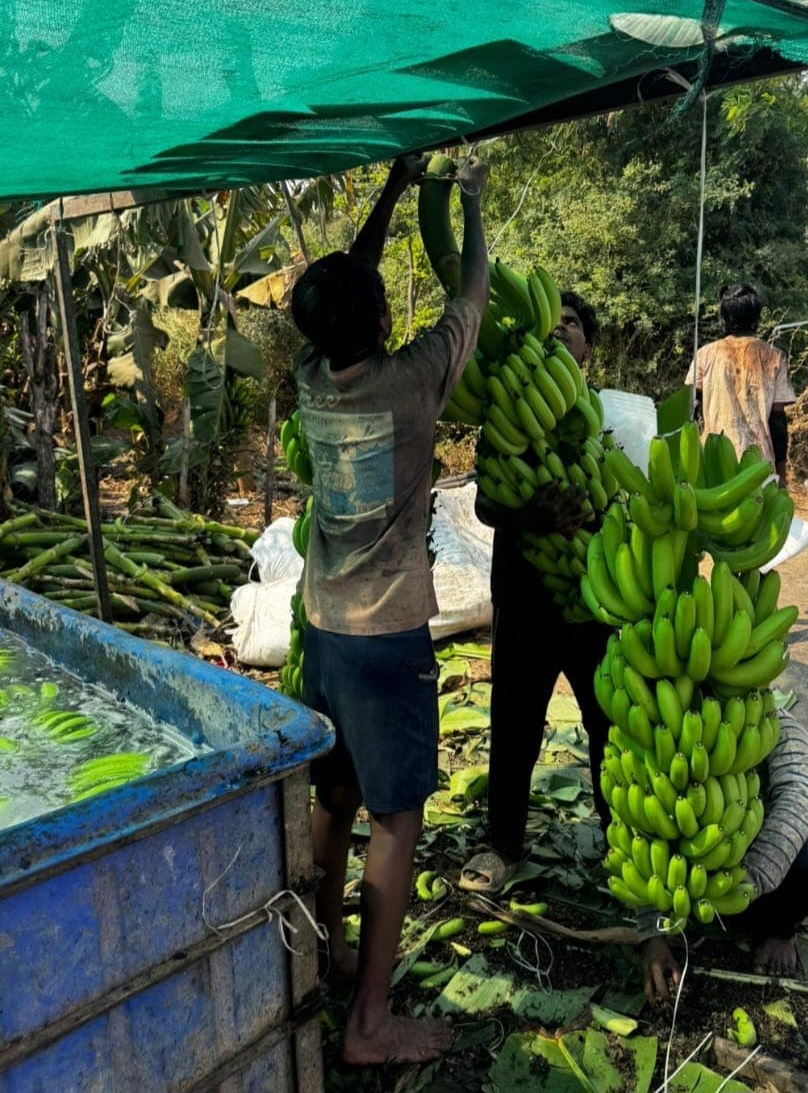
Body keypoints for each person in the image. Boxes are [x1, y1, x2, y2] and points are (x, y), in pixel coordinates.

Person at [290, 152, 489, 1065]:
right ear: (378, 318)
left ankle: (322, 952)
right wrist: (473, 209)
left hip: (324, 628)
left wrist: (393, 193)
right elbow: (472, 293)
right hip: (386, 636)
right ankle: (370, 1023)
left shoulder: (308, 374)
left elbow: (342, 286)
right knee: (397, 818)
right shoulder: (415, 386)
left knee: (332, 794)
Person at [460, 293, 612, 895]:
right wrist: (531, 514)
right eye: (550, 326)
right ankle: (503, 843)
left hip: (596, 598)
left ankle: (620, 838)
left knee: (607, 725)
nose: (559, 334)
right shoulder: (507, 418)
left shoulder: (610, 421)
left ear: (588, 347)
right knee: (515, 723)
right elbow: (484, 502)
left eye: (571, 325)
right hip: (525, 598)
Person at [639, 708, 808, 1003]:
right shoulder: (673, 732)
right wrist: (652, 933)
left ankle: (779, 931)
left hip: (767, 881)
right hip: (695, 887)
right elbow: (643, 827)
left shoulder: (781, 729)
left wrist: (744, 883)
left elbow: (797, 801)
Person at [685, 283, 796, 485]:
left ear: (723, 319)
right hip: (758, 466)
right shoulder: (774, 357)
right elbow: (778, 420)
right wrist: (781, 471)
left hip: (711, 462)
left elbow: (690, 408)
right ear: (757, 319)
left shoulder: (704, 355)